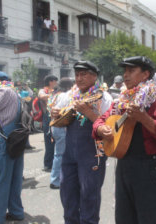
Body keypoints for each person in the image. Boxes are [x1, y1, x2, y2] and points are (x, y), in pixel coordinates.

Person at [93, 56, 156, 224]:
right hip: (124, 167)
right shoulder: (122, 100)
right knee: (124, 218)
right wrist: (100, 128)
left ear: (145, 74)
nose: (126, 75)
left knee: (149, 218)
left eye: (131, 71)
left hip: (148, 168)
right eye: (125, 71)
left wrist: (144, 118)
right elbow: (100, 120)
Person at [52, 61, 112, 224]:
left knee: (89, 194)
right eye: (77, 74)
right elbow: (56, 117)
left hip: (93, 152)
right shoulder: (68, 96)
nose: (79, 78)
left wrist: (88, 113)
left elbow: (109, 129)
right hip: (69, 153)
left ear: (94, 76)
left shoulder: (104, 97)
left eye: (84, 74)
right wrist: (55, 114)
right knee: (67, 192)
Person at [0, 71, 24, 223]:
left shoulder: (3, 90)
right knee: (14, 179)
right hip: (15, 140)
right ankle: (16, 212)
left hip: (3, 140)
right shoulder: (14, 92)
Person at [49, 78, 74, 189]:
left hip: (56, 127)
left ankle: (57, 178)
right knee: (60, 154)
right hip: (61, 127)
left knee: (59, 154)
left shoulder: (58, 95)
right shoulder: (70, 95)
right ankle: (55, 180)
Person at [38, 75, 58, 172]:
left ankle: (55, 162)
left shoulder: (56, 91)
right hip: (48, 117)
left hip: (57, 117)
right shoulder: (43, 91)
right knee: (49, 140)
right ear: (51, 82)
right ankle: (48, 163)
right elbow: (42, 97)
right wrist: (55, 95)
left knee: (57, 140)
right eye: (55, 81)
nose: (56, 83)